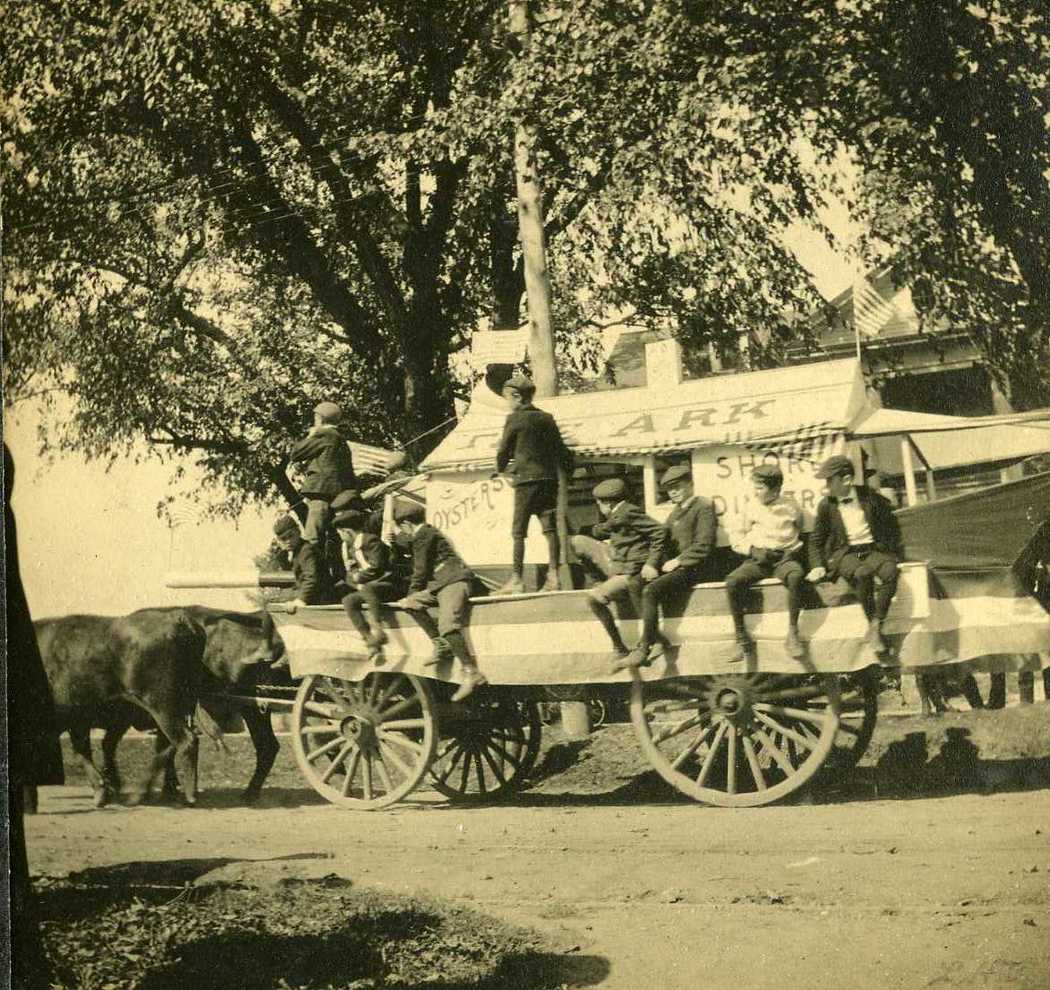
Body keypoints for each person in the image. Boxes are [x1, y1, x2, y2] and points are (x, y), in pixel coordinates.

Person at [613, 464, 717, 671]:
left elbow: (704, 545)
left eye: (678, 487)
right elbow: (664, 539)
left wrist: (678, 561)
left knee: (651, 591)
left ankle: (644, 647)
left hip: (695, 568)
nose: (674, 492)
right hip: (675, 568)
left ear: (690, 484)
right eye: (670, 489)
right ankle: (658, 640)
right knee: (635, 583)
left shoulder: (703, 506)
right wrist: (651, 564)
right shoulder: (676, 512)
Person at [390, 502, 488, 702]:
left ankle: (471, 672)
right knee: (409, 604)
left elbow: (420, 569)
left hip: (454, 581)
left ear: (407, 524)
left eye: (402, 528)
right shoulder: (425, 533)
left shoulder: (424, 535)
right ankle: (441, 645)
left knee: (447, 623)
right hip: (441, 584)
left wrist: (413, 591)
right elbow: (407, 544)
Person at [806, 454, 903, 655]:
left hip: (871, 550)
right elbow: (815, 541)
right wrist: (817, 565)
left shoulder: (870, 497)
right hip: (846, 554)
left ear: (847, 480)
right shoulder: (826, 505)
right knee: (863, 574)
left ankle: (876, 625)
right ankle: (873, 626)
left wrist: (891, 552)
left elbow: (891, 526)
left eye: (829, 480)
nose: (826, 485)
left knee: (891, 571)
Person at [493, 374, 575, 594]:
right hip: (549, 481)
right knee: (550, 530)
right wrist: (569, 474)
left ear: (517, 397)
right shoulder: (547, 418)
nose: (508, 404)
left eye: (508, 399)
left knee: (518, 532)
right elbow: (561, 451)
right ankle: (554, 576)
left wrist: (501, 470)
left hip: (525, 482)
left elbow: (503, 451)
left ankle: (517, 580)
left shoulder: (514, 420)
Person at [570, 477, 666, 662]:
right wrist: (588, 531)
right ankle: (625, 646)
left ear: (605, 502)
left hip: (632, 571)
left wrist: (651, 563)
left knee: (593, 600)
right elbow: (609, 528)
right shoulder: (620, 513)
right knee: (578, 543)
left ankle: (621, 646)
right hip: (623, 568)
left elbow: (659, 531)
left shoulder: (627, 512)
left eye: (599, 503)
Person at [725, 464, 807, 661]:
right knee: (732, 581)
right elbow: (736, 535)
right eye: (754, 486)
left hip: (782, 559)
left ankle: (793, 634)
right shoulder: (749, 507)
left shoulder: (791, 506)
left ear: (776, 489)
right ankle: (740, 638)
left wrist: (790, 551)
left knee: (796, 575)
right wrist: (752, 550)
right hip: (759, 560)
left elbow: (800, 530)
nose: (755, 491)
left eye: (760, 488)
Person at [334, 506, 400, 660]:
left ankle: (378, 630)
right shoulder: (352, 548)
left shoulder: (371, 541)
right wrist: (353, 579)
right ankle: (369, 638)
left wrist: (359, 578)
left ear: (348, 532)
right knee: (348, 601)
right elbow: (353, 571)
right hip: (371, 589)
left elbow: (377, 566)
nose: (341, 538)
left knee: (369, 589)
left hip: (389, 584)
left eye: (341, 534)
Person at [288, 400, 356, 547]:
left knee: (313, 536)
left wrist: (311, 436)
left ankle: (310, 566)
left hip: (321, 491)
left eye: (316, 417)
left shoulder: (325, 434)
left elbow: (296, 453)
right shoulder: (339, 437)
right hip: (337, 492)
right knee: (332, 538)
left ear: (321, 418)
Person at [273, 514, 334, 608]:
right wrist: (281, 557)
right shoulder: (297, 551)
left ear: (298, 532)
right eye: (283, 539)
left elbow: (311, 577)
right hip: (314, 595)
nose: (288, 541)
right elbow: (294, 575)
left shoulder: (306, 550)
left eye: (291, 536)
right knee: (278, 600)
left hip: (321, 596)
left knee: (277, 602)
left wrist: (301, 600)